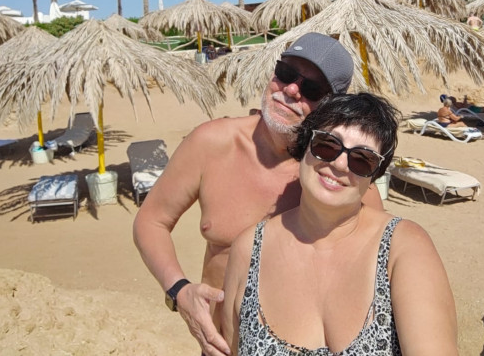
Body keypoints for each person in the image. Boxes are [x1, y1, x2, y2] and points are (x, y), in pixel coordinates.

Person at [133, 32, 383, 356]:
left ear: (332, 106)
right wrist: (179, 292)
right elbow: (151, 221)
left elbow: (376, 268)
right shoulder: (211, 143)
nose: (290, 90)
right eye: (286, 73)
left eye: (311, 89)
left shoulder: (339, 178)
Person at [221, 93, 458, 355]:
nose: (340, 164)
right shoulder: (248, 250)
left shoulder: (403, 247)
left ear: (374, 176)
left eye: (362, 160)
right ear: (305, 145)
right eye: (327, 145)